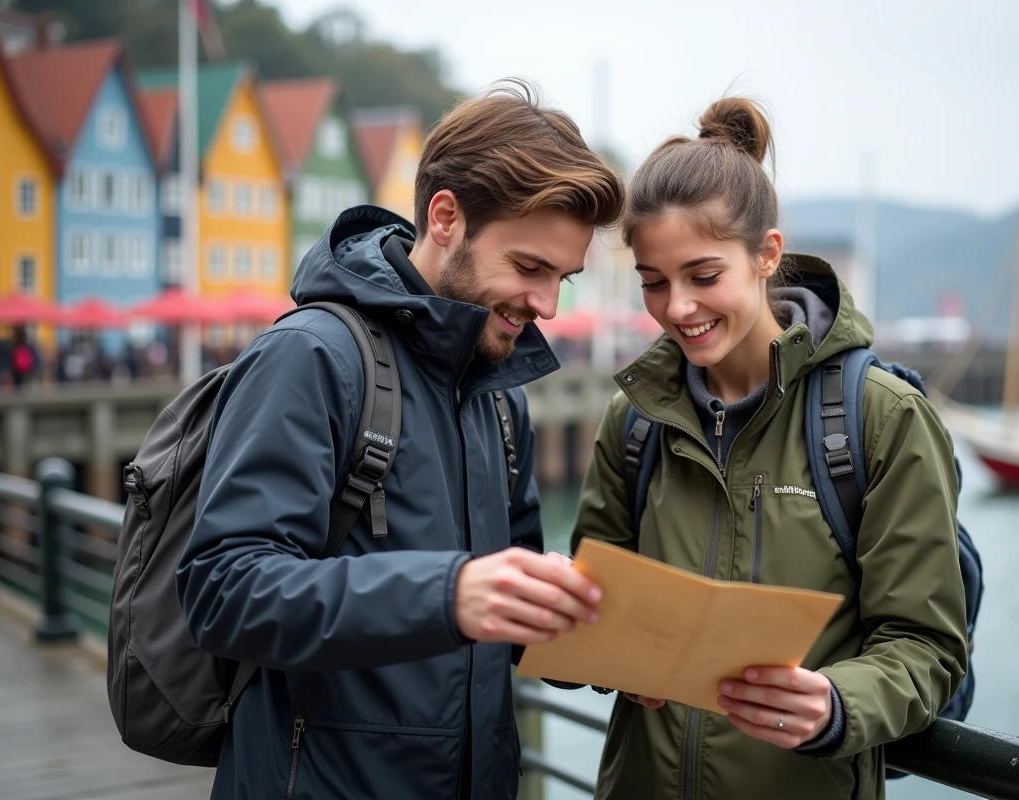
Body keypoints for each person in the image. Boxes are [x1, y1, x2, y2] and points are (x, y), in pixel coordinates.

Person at [175, 81, 625, 800]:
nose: (546, 304)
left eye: (563, 277)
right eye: (530, 267)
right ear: (445, 217)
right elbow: (223, 587)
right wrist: (446, 595)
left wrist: (628, 656)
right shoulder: (311, 356)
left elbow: (508, 611)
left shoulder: (498, 396)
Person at [570, 98, 969, 799]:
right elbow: (602, 602)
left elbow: (926, 645)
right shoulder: (632, 420)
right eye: (653, 283)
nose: (677, 308)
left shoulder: (881, 418)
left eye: (703, 275)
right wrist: (608, 653)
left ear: (767, 256)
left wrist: (836, 703)